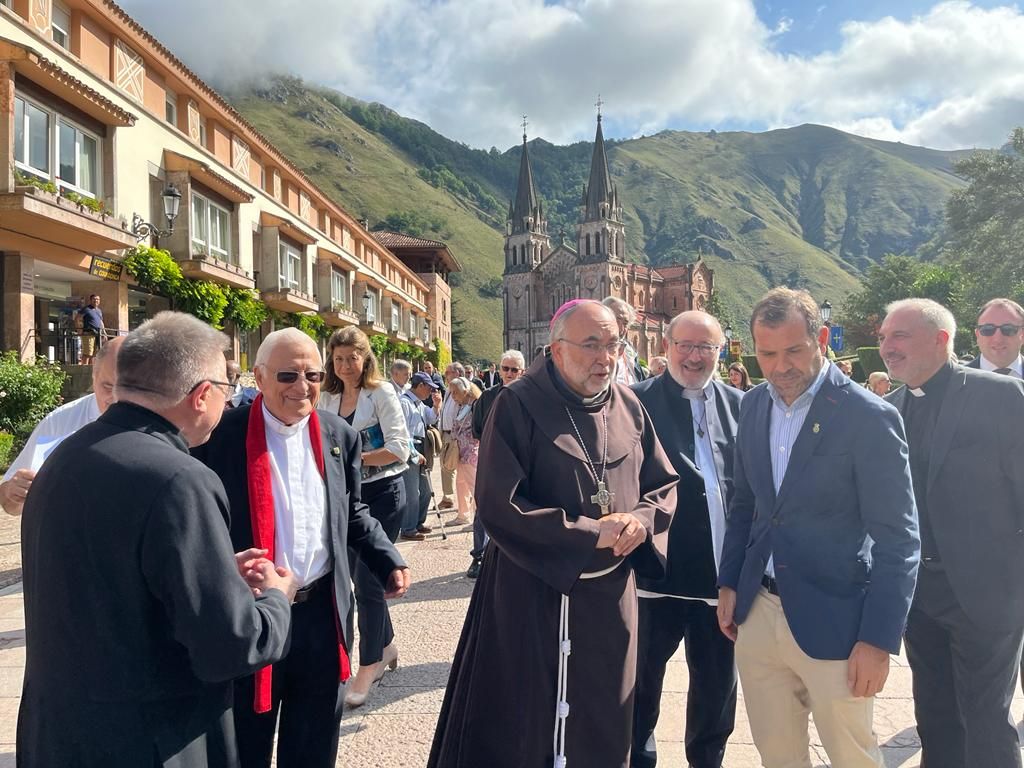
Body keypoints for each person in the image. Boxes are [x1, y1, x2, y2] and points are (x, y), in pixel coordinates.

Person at [17, 311, 298, 767]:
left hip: (60, 734)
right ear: (202, 395)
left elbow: (112, 579)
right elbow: (230, 644)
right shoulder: (180, 477)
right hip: (153, 739)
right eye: (226, 390)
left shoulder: (66, 456)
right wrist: (276, 599)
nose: (228, 406)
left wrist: (213, 571)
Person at [428, 299, 678, 768]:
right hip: (531, 590)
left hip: (609, 598)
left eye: (613, 344)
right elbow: (500, 502)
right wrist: (589, 534)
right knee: (527, 720)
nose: (605, 357)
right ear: (557, 349)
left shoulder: (628, 405)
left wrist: (639, 523)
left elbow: (661, 486)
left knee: (602, 717)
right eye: (591, 345)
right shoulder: (518, 403)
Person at [717, 287, 919, 768]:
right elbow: (745, 505)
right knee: (778, 756)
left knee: (853, 758)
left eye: (794, 350)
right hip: (758, 616)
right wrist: (729, 581)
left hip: (838, 623)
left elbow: (899, 540)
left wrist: (878, 640)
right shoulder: (752, 407)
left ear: (822, 337)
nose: (780, 366)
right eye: (767, 353)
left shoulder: (870, 417)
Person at [193, 327, 409, 768]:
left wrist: (386, 558)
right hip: (249, 614)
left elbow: (351, 512)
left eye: (312, 374)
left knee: (313, 744)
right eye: (288, 375)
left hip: (320, 615)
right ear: (258, 376)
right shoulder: (219, 436)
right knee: (243, 746)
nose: (302, 386)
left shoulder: (337, 436)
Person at [879, 298, 1024, 768]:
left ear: (941, 339)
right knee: (935, 717)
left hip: (986, 592)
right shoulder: (887, 408)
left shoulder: (999, 396)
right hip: (919, 596)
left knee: (985, 721)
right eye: (883, 338)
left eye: (899, 336)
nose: (886, 347)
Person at [630, 311, 742, 768]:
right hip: (654, 575)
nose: (694, 356)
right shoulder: (632, 402)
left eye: (706, 347)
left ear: (721, 352)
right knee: (638, 687)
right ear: (667, 345)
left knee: (716, 690)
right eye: (685, 345)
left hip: (720, 579)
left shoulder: (742, 405)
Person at [317, 326, 412, 710]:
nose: (345, 366)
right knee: (357, 581)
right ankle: (386, 646)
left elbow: (399, 448)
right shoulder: (327, 395)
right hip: (345, 497)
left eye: (352, 358)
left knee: (370, 584)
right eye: (338, 358)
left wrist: (351, 457)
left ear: (365, 357)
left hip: (383, 494)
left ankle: (368, 665)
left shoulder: (381, 392)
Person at [1, 335, 123, 515]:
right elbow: (9, 505)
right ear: (93, 377)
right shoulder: (60, 422)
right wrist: (14, 492)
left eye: (126, 387)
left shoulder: (161, 424)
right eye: (107, 386)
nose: (116, 397)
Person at [466, 349, 526, 578]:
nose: (509, 373)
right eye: (506, 368)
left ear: (522, 371)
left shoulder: (530, 397)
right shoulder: (487, 397)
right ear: (499, 369)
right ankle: (479, 556)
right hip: (491, 461)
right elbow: (477, 429)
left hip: (521, 464)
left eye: (514, 369)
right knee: (484, 510)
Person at [398, 372, 442, 541]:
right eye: (429, 388)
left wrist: (436, 406)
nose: (431, 392)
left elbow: (430, 418)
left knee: (424, 490)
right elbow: (403, 433)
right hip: (411, 448)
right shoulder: (404, 403)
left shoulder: (419, 404)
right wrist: (414, 453)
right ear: (421, 385)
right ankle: (408, 528)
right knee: (412, 491)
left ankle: (418, 522)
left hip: (422, 446)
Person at [448, 376, 481, 528]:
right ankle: (463, 514)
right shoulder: (461, 406)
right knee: (460, 484)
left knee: (475, 487)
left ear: (466, 391)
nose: (453, 396)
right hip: (460, 451)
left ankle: (479, 519)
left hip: (471, 452)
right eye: (451, 392)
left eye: (455, 392)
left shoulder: (476, 405)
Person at [967, 297, 1024, 377]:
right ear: (977, 335)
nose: (998, 339)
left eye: (1008, 329)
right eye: (988, 329)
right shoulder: (952, 383)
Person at [437, 362, 464, 510]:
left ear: (457, 374)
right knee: (445, 466)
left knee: (452, 466)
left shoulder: (461, 389)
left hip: (455, 435)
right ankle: (448, 497)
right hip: (446, 433)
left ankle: (451, 498)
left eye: (448, 373)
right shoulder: (449, 389)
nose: (445, 375)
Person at [603, 295, 649, 384]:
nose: (621, 328)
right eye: (617, 320)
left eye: (625, 323)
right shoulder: (592, 351)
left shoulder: (629, 349)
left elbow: (641, 380)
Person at [78, 293, 105, 365]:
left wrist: (104, 333)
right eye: (94, 299)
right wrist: (79, 330)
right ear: (90, 300)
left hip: (97, 334)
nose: (96, 301)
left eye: (98, 299)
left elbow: (101, 322)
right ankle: (84, 367)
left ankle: (91, 367)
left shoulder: (99, 311)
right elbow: (77, 318)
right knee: (87, 352)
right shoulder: (86, 309)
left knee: (94, 353)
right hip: (88, 333)